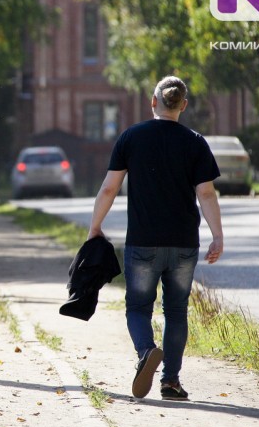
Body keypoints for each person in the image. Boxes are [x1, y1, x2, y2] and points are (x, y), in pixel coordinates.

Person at [87, 76, 224, 400]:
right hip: (183, 244)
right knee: (176, 312)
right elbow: (206, 193)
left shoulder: (131, 137)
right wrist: (217, 236)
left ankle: (146, 351)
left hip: (143, 243)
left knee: (137, 307)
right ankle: (171, 381)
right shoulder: (195, 141)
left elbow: (109, 188)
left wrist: (95, 227)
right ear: (183, 105)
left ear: (153, 103)